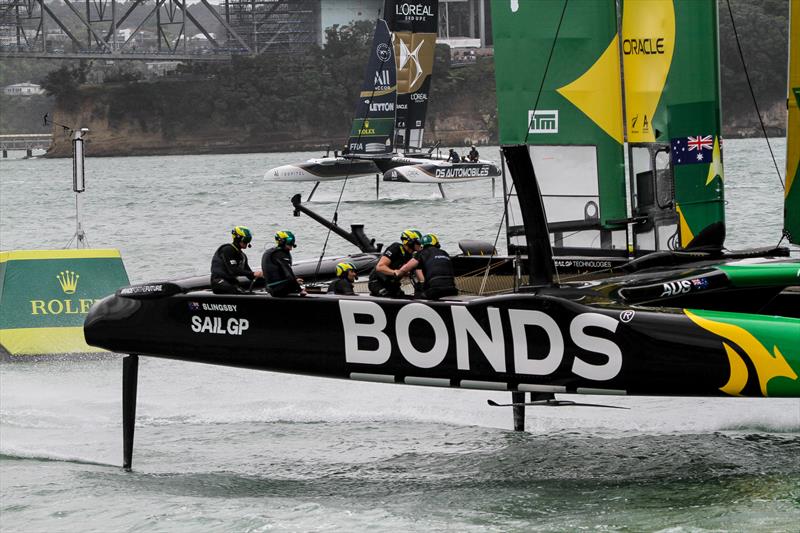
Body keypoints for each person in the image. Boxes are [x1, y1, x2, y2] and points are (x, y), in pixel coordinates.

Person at [397, 233, 458, 300]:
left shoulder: (421, 253)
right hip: (452, 289)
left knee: (418, 294)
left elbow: (404, 269)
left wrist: (395, 274)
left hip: (435, 291)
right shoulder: (444, 253)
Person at [368, 229, 422, 297]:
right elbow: (380, 267)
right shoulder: (396, 248)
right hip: (377, 282)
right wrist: (394, 272)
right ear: (410, 242)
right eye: (418, 242)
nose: (420, 245)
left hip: (392, 284)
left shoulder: (411, 255)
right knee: (387, 296)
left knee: (405, 297)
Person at [210, 226, 262, 294]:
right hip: (218, 281)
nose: (247, 242)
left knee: (247, 293)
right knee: (236, 292)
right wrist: (254, 273)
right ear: (238, 238)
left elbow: (250, 275)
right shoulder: (227, 249)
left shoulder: (242, 256)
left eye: (249, 240)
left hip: (231, 282)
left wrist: (266, 278)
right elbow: (233, 270)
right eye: (246, 240)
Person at [261, 230, 307, 297]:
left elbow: (281, 272)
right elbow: (289, 275)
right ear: (282, 241)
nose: (291, 246)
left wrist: (295, 279)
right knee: (303, 287)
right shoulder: (281, 254)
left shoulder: (272, 252)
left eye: (292, 242)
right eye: (290, 242)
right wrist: (300, 290)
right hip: (279, 290)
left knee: (295, 282)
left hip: (270, 288)